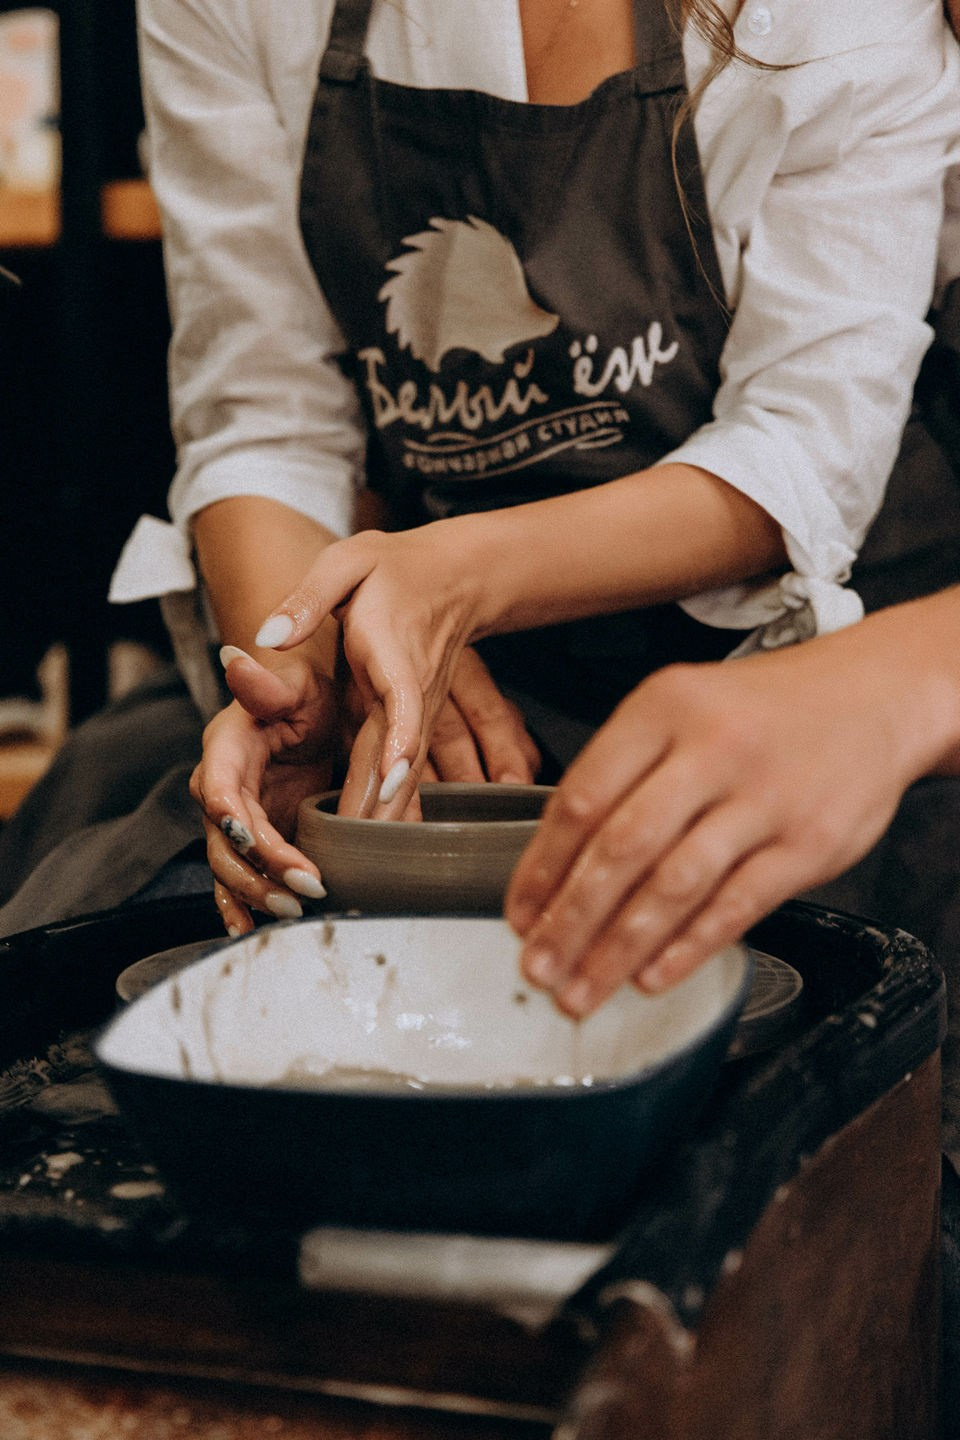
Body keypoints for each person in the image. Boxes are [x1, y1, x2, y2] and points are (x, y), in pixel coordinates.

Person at [0, 0, 958, 942]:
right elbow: (264, 414)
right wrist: (312, 669)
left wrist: (448, 580)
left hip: (778, 640)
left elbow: (801, 448)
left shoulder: (834, 17)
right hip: (428, 624)